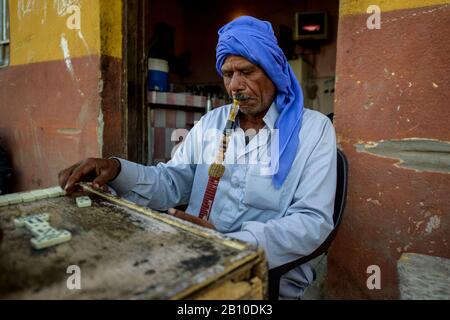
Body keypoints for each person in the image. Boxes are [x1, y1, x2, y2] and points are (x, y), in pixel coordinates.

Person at [58, 16, 336, 299]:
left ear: (275, 71)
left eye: (247, 72)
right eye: (228, 74)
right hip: (193, 259)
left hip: (264, 278)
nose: (235, 86)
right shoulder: (212, 123)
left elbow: (312, 222)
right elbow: (171, 181)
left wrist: (228, 245)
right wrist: (116, 169)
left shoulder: (314, 130)